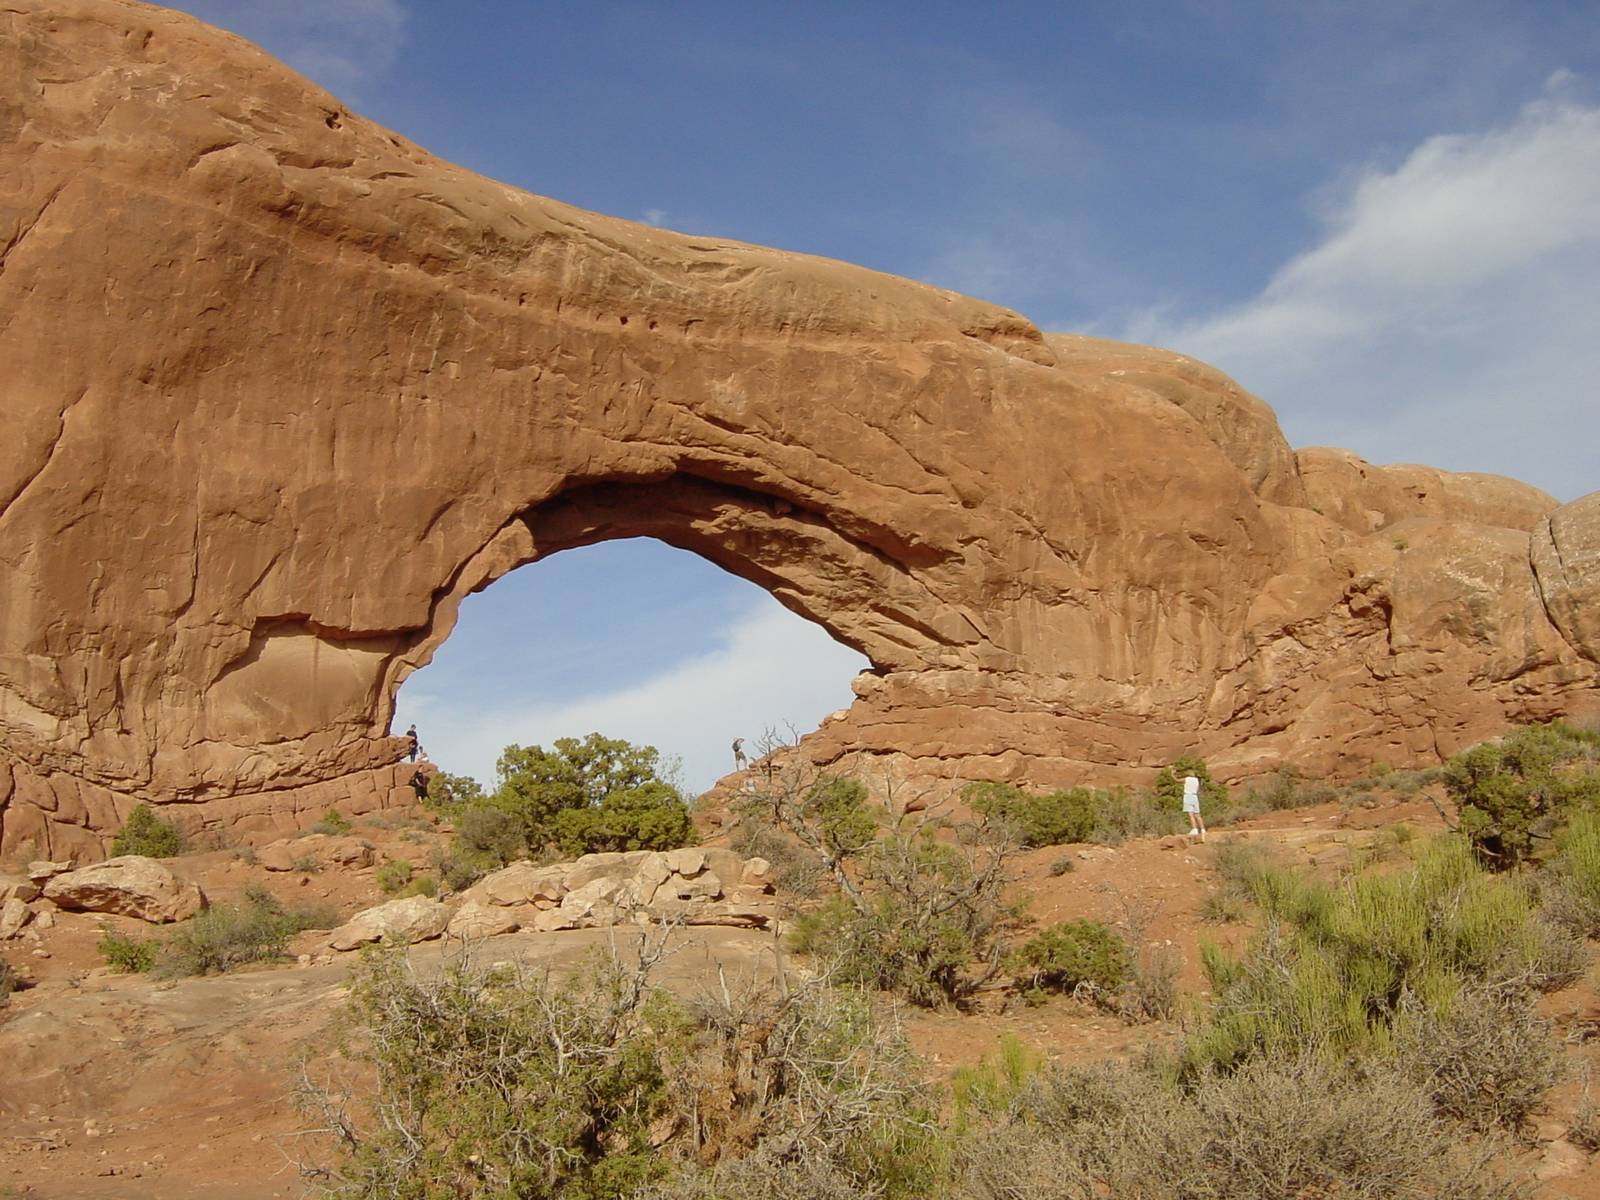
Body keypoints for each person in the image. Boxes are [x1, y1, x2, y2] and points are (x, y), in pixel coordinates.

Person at [1183, 773, 1206, 842]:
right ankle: (1202, 829)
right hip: (1195, 796)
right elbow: (1198, 789)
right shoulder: (1197, 780)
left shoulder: (1187, 779)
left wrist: (1172, 774)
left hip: (1188, 796)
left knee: (1191, 814)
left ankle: (1194, 829)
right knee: (1197, 814)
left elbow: (1176, 780)